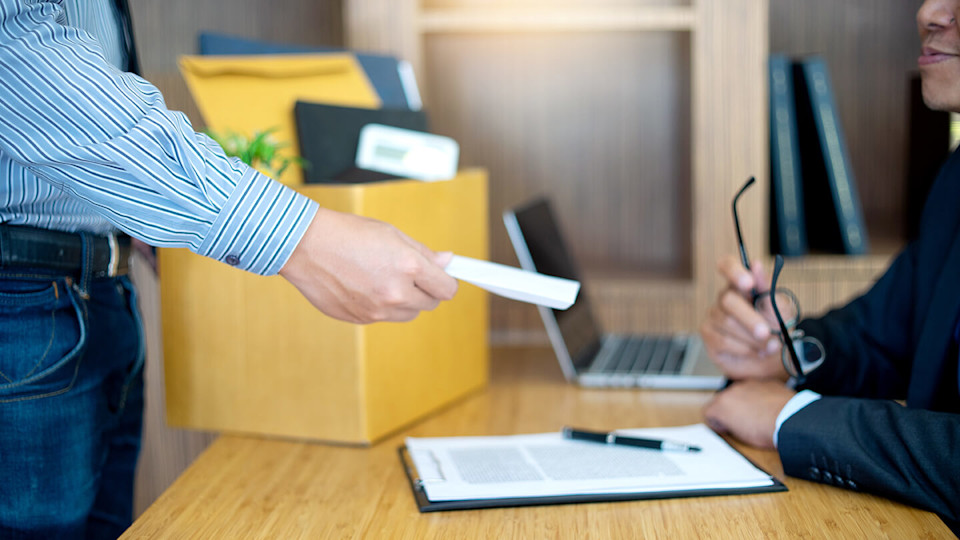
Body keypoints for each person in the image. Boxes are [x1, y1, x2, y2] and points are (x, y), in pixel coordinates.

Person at [0, 0, 457, 537]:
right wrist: (299, 236)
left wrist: (144, 223)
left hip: (98, 287)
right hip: (24, 302)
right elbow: (18, 55)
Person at [700, 0, 960, 533]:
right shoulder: (957, 182)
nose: (929, 11)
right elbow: (879, 336)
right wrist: (783, 350)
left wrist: (790, 419)